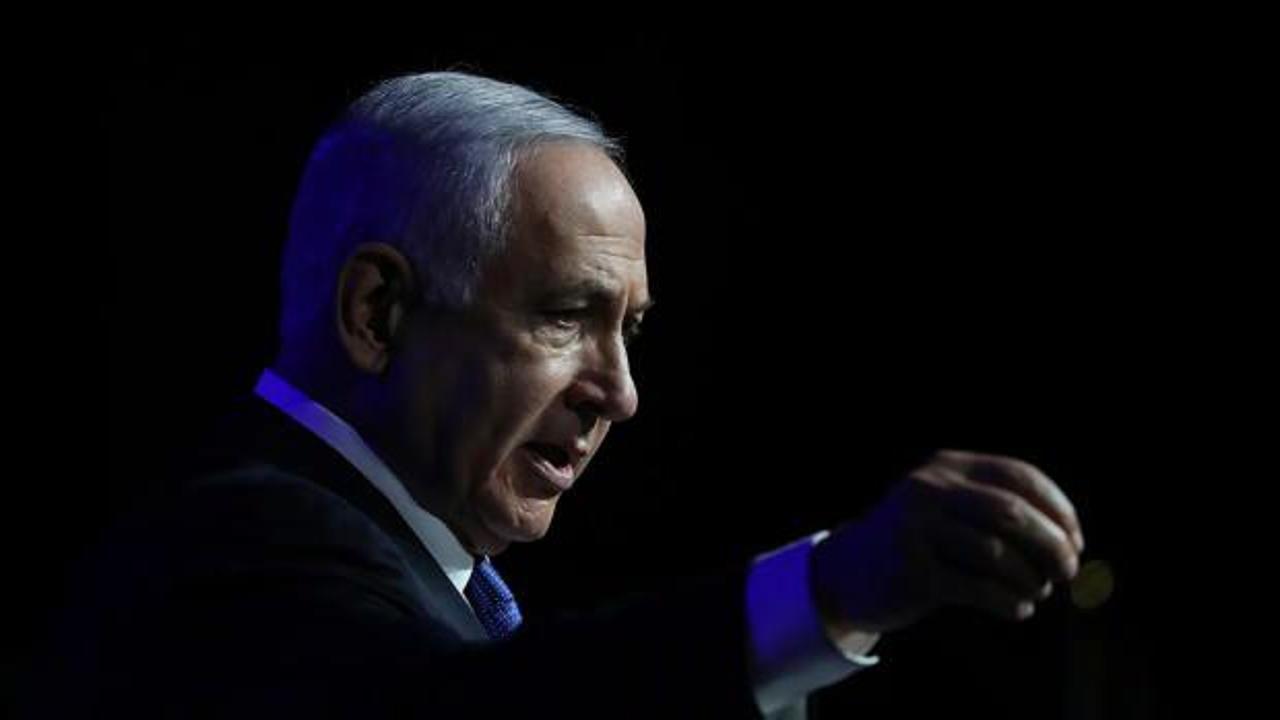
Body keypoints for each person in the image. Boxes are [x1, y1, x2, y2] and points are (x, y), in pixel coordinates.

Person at [41, 71, 1084, 719]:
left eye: (629, 329)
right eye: (564, 316)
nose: (619, 395)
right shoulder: (239, 543)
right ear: (377, 313)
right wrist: (829, 591)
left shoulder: (400, 565)